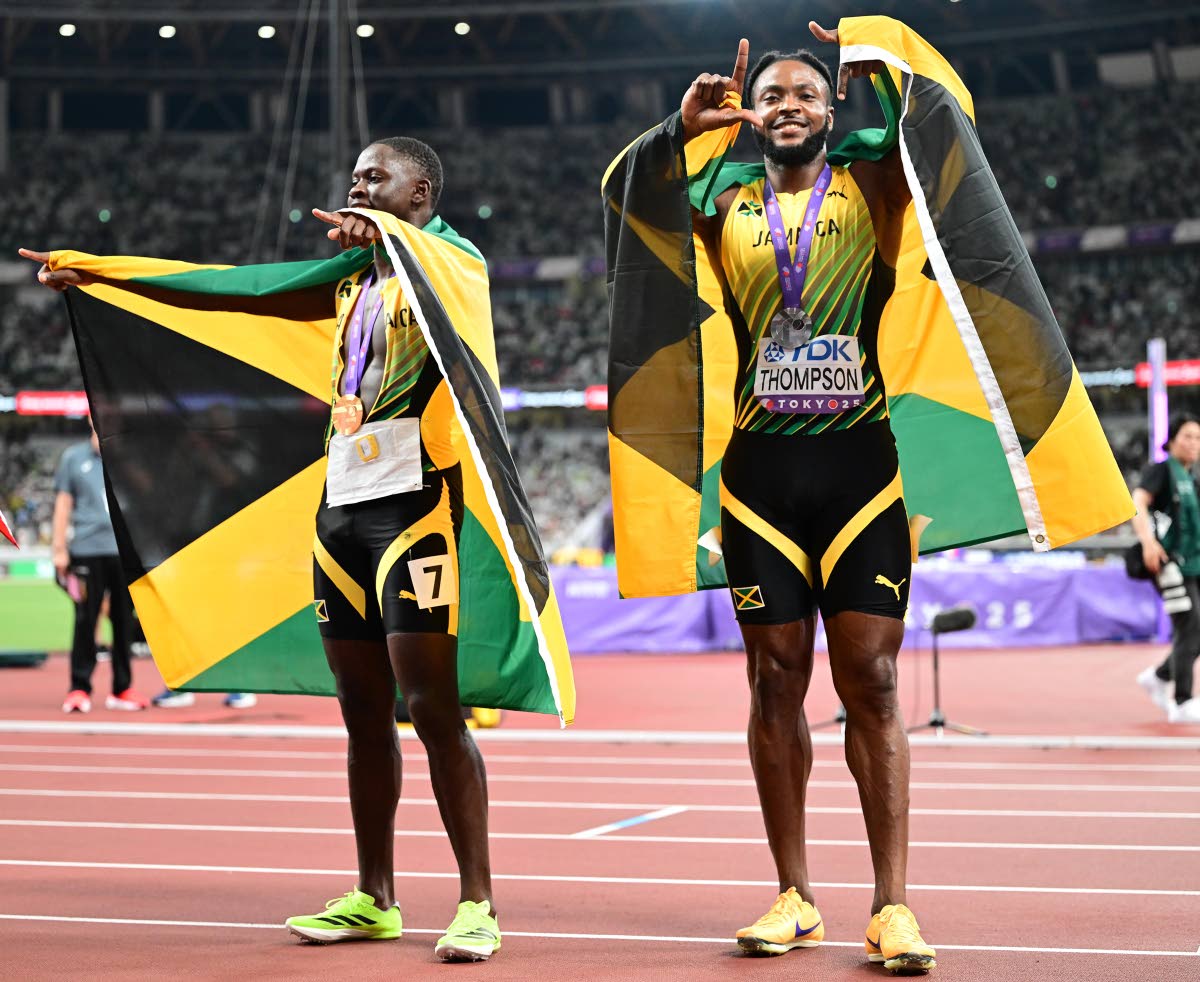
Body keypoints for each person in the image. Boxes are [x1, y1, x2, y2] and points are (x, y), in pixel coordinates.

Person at [22, 137, 503, 961]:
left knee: (430, 708)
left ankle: (477, 904)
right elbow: (247, 291)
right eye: (353, 177)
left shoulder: (454, 262)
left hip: (416, 511)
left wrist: (399, 242)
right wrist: (107, 275)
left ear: (419, 189)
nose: (356, 188)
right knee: (359, 715)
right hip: (342, 510)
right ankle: (374, 896)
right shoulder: (354, 280)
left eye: (373, 177)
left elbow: (448, 280)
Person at [667, 22, 933, 971]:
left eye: (807, 95)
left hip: (861, 471)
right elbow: (631, 195)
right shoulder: (724, 204)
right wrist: (685, 131)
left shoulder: (874, 185)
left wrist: (883, 59)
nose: (787, 106)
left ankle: (891, 905)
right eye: (771, 95)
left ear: (834, 111)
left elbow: (937, 131)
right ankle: (794, 894)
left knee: (875, 681)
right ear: (753, 113)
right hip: (759, 482)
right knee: (774, 682)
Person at [52, 416, 148, 713]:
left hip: (123, 551)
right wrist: (59, 549)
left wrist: (119, 458)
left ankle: (122, 688)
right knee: (85, 619)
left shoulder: (128, 455)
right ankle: (79, 689)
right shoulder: (73, 458)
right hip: (86, 550)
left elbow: (146, 489)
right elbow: (63, 504)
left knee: (122, 620)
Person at [1132, 413, 1200, 724]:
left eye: (1198, 438)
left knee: (1196, 628)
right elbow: (1138, 501)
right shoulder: (1161, 472)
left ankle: (1159, 676)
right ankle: (1183, 700)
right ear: (1172, 439)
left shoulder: (1192, 479)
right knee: (1189, 624)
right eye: (1188, 436)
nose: (1194, 443)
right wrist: (1147, 542)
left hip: (1194, 564)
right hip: (1169, 562)